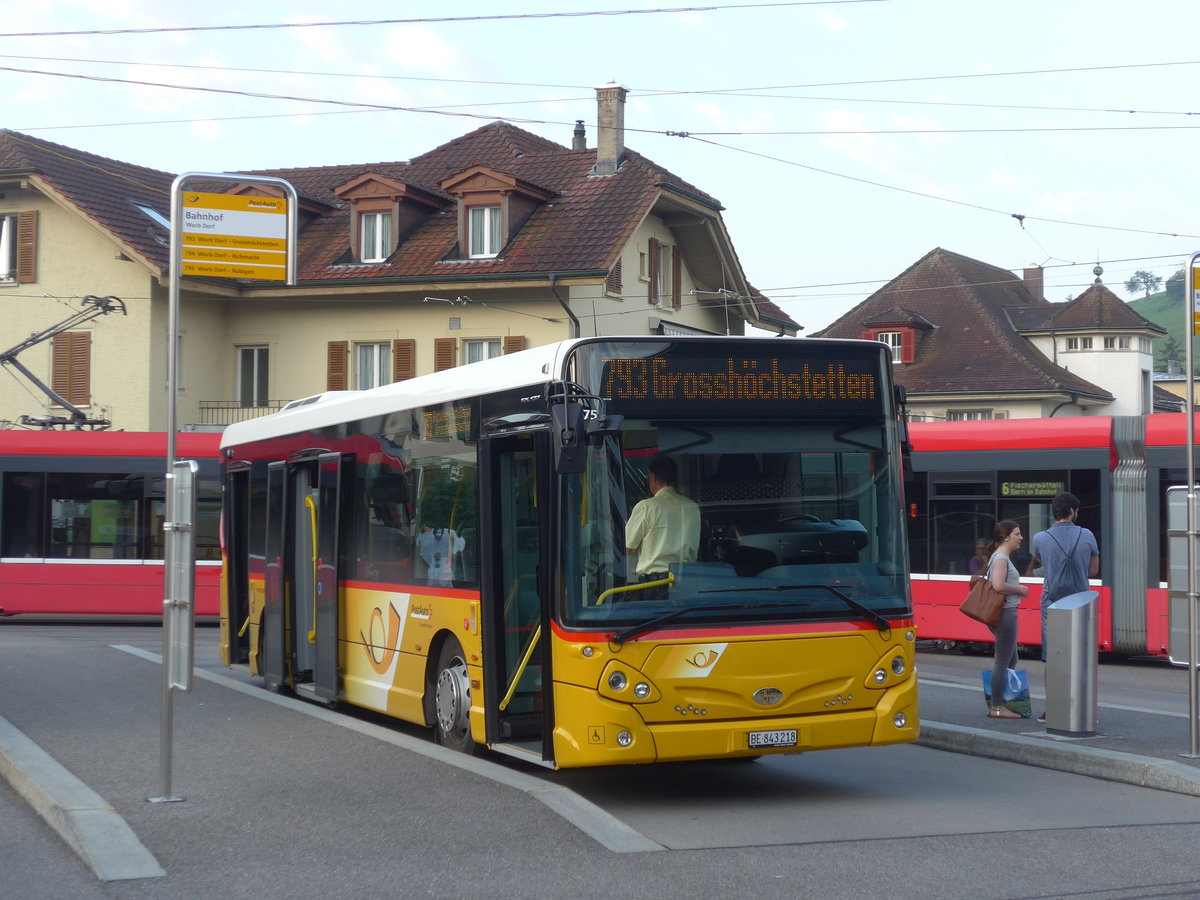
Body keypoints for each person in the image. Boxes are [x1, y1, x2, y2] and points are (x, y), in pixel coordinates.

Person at [1029, 491, 1099, 722]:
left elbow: (1044, 565)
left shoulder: (1040, 538)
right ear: (1072, 511)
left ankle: (1052, 709)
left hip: (1052, 602)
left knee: (1053, 656)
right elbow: (1093, 571)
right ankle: (1082, 709)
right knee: (1081, 654)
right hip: (1081, 603)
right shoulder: (1087, 535)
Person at [625, 455, 700, 598]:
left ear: (652, 477)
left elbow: (629, 548)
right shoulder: (693, 507)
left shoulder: (646, 507)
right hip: (688, 583)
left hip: (656, 585)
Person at [984, 519, 1029, 719]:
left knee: (1011, 658)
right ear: (1005, 537)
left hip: (1004, 612)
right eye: (1017, 534)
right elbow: (998, 585)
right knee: (1002, 662)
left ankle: (1005, 700)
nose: (1021, 538)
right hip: (1005, 613)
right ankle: (997, 706)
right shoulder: (1001, 558)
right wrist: (1019, 589)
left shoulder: (999, 556)